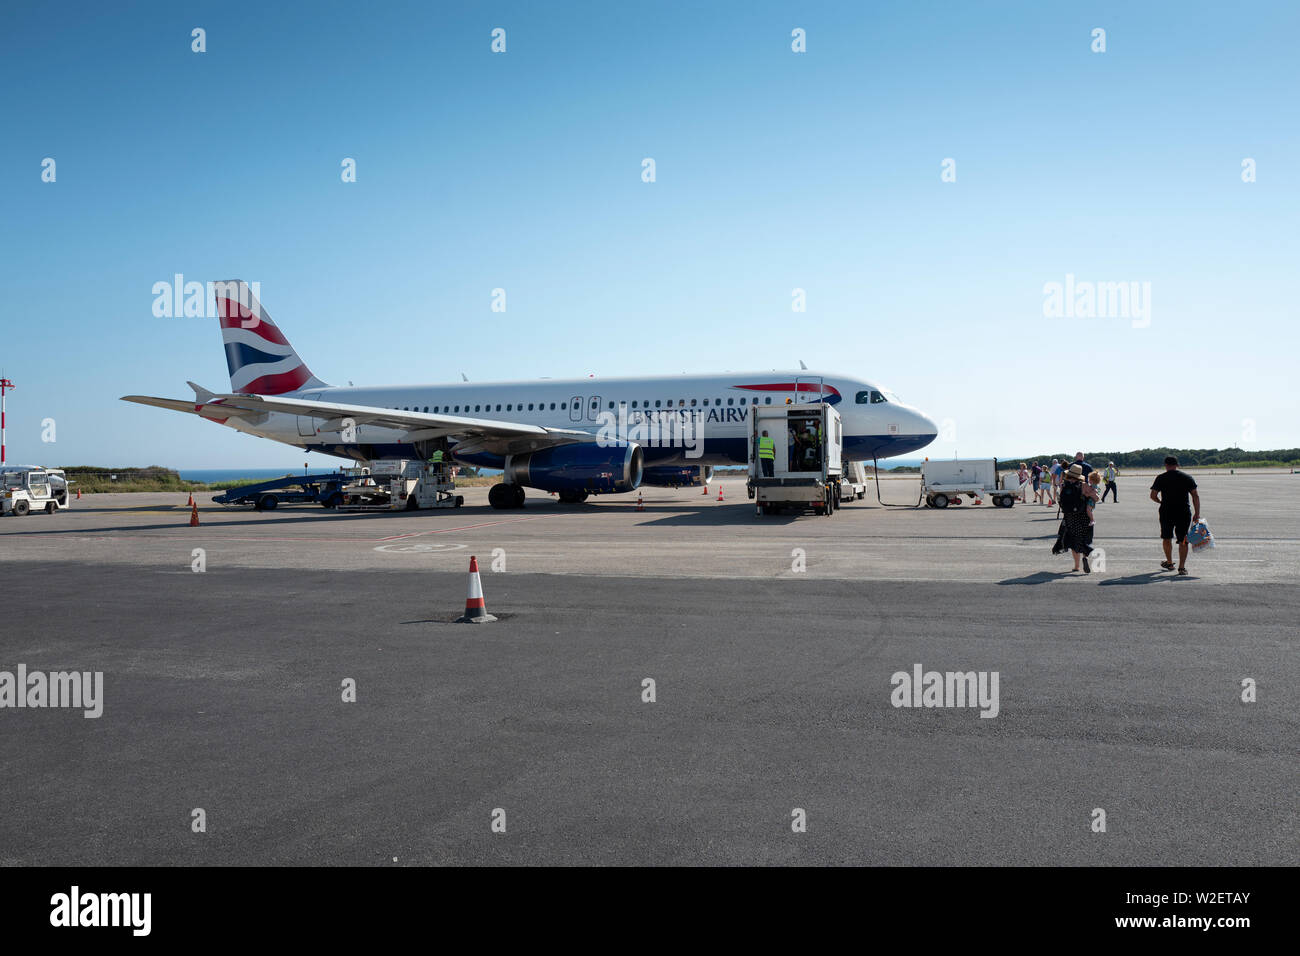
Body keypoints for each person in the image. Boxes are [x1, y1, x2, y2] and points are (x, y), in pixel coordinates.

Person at [1150, 456, 1201, 575]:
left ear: (1166, 465)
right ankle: (1182, 567)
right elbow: (1195, 496)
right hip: (1183, 512)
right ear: (1177, 465)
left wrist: (1160, 502)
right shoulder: (1187, 477)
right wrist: (1197, 513)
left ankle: (1169, 562)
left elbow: (1153, 495)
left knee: (1167, 537)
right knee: (1183, 540)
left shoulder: (1161, 478)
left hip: (1166, 511)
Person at [1058, 464, 1094, 572]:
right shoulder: (1084, 485)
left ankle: (1076, 566)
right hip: (1083, 516)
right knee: (1083, 539)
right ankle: (1085, 557)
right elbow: (1095, 498)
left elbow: (1061, 501)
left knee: (1073, 541)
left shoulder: (1064, 485)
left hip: (1070, 517)